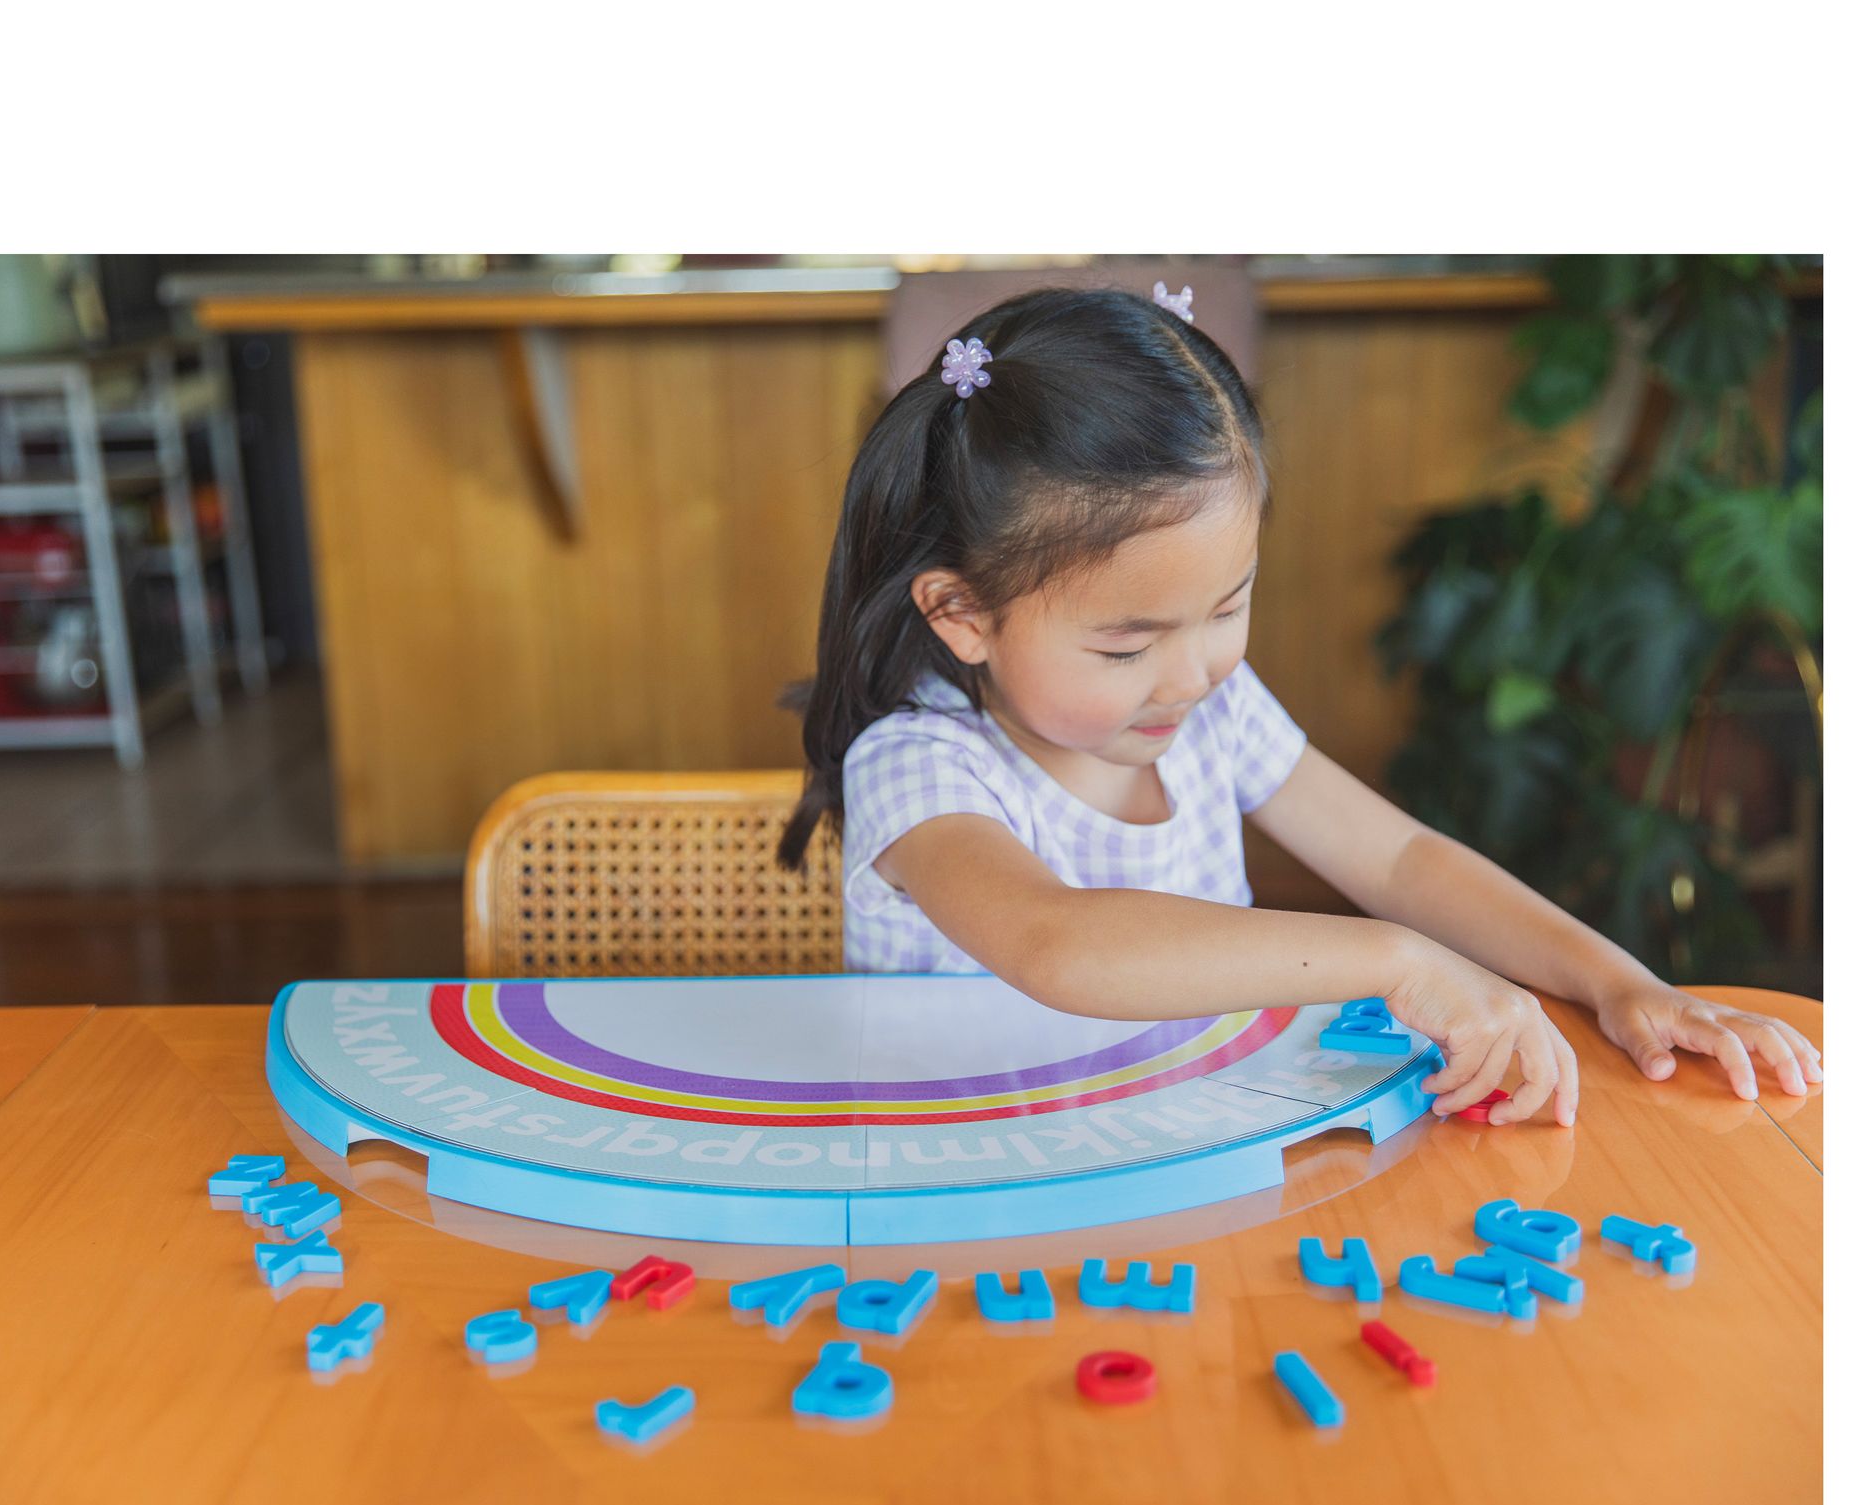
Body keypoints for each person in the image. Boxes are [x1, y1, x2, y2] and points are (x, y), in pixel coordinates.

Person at [776, 285, 1820, 1125]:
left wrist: (1616, 981)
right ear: (961, 613)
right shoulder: (918, 764)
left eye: (1227, 606)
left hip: (1180, 1144)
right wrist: (1395, 960)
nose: (1191, 674)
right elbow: (1057, 943)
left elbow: (1399, 860)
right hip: (964, 1191)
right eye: (1126, 644)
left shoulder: (1213, 711)